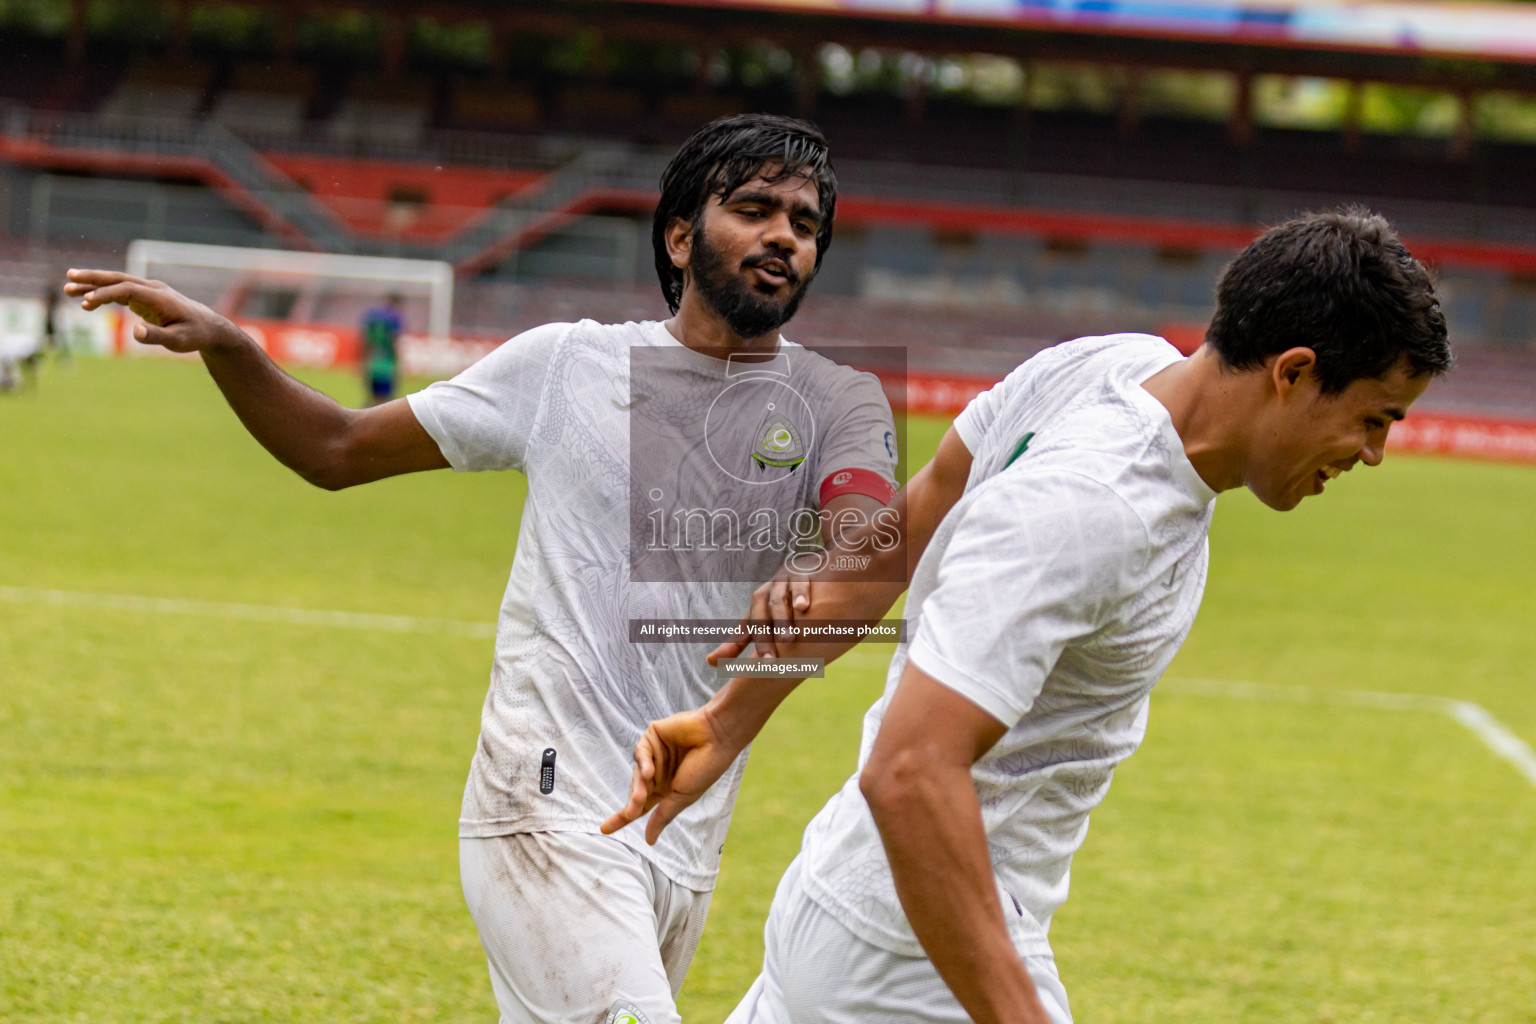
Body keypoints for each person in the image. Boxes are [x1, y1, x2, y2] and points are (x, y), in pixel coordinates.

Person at [65, 113, 900, 1024]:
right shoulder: (565, 366)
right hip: (542, 804)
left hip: (682, 835)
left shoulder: (838, 402)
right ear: (679, 234)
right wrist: (234, 348)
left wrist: (828, 560)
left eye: (805, 224)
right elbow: (337, 448)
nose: (783, 235)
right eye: (753, 209)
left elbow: (869, 543)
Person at [603, 208, 1454, 1024]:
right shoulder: (1096, 507)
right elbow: (908, 770)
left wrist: (727, 719)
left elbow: (910, 518)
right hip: (907, 961)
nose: (1373, 453)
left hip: (856, 896)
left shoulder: (1111, 366)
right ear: (1295, 372)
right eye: (1374, 418)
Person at [360, 293, 403, 405]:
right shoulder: (395, 317)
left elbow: (365, 341)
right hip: (387, 365)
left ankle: (359, 418)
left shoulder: (372, 315)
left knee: (371, 399)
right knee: (387, 403)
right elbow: (394, 342)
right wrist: (398, 362)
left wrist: (363, 363)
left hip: (372, 364)